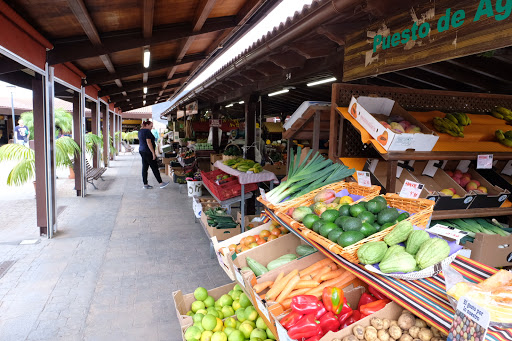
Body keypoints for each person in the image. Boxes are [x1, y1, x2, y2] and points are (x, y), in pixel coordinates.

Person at [138, 120, 169, 189]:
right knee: (154, 167)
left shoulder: (140, 131)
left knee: (145, 167)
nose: (151, 128)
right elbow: (149, 143)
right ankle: (161, 183)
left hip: (142, 150)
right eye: (151, 126)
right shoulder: (147, 131)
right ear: (147, 125)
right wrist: (153, 153)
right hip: (148, 151)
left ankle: (145, 184)